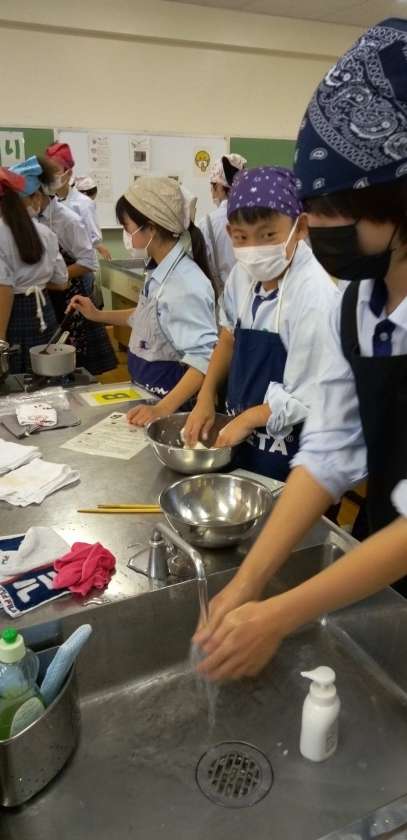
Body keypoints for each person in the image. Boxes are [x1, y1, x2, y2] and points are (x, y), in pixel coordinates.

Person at [193, 17, 407, 682]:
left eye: (334, 206)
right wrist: (248, 581)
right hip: (384, 560)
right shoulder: (360, 304)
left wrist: (278, 613)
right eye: (312, 207)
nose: (314, 226)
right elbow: (332, 447)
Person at [184, 166, 339, 480]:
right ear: (229, 232)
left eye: (268, 235)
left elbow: (309, 397)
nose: (254, 249)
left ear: (301, 227)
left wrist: (247, 419)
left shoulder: (315, 295)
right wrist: (205, 396)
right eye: (242, 238)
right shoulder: (242, 276)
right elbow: (228, 337)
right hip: (243, 433)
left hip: (294, 452)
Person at [69, 176, 218, 424]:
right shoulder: (159, 270)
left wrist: (162, 409)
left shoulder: (185, 285)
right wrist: (97, 315)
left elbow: (204, 359)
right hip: (148, 393)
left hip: (174, 406)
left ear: (151, 227)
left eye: (127, 227)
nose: (126, 235)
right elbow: (147, 317)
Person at [32, 157, 117, 376]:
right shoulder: (33, 220)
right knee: (47, 360)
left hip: (69, 297)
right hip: (46, 297)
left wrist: (55, 277)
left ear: (38, 194)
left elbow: (88, 263)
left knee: (74, 361)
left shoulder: (67, 219)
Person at [0, 160, 68, 373]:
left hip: (9, 316)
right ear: (35, 197)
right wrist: (36, 283)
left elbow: (4, 288)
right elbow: (62, 282)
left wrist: (0, 340)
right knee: (45, 373)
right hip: (43, 312)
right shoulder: (46, 233)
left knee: (14, 378)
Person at [45, 143, 110, 267]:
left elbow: (93, 236)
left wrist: (99, 246)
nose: (51, 176)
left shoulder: (83, 203)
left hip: (78, 266)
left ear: (68, 173)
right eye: (47, 171)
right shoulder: (46, 203)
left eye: (55, 171)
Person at [199, 154, 246, 290]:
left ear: (219, 187)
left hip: (220, 296)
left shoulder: (207, 223)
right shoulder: (253, 217)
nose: (212, 192)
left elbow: (201, 268)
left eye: (212, 186)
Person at [75, 174, 112, 261]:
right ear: (84, 194)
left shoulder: (73, 201)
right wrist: (98, 244)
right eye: (92, 198)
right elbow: (90, 224)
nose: (91, 200)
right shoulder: (85, 203)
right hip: (83, 250)